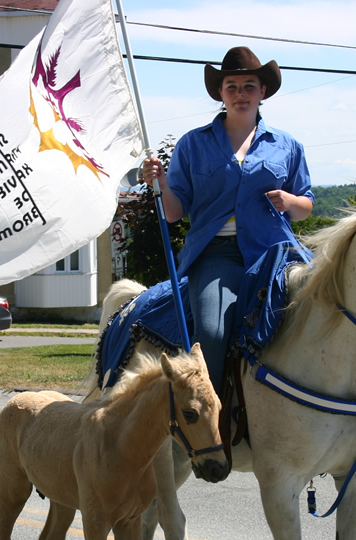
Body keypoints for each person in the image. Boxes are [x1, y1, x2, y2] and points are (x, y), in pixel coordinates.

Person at [141, 46, 314, 394]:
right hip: (216, 256)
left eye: (249, 86)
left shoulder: (287, 145)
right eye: (231, 87)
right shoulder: (193, 144)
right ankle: (213, 413)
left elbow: (305, 206)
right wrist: (160, 183)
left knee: (336, 305)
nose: (240, 94)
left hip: (275, 255)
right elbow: (174, 213)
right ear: (220, 93)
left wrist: (291, 201)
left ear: (263, 92)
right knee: (212, 332)